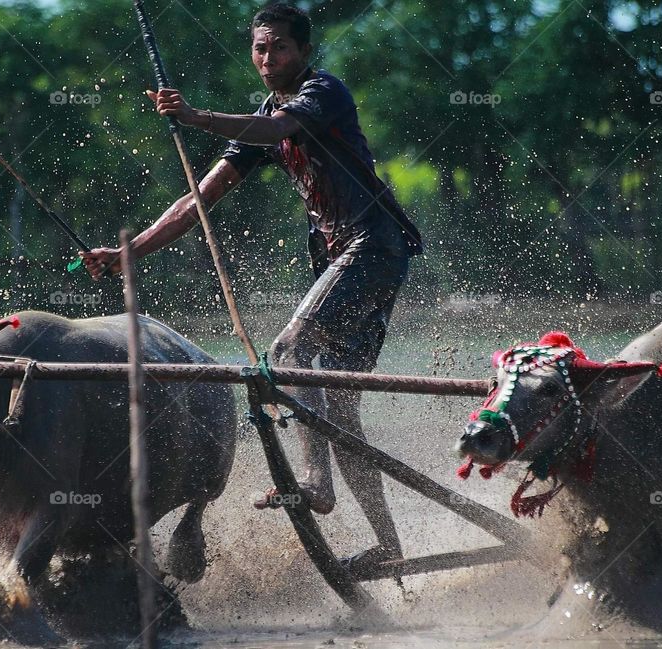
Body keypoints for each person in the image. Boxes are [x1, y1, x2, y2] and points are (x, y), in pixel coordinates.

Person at [81, 2, 421, 567]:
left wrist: (196, 117)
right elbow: (197, 199)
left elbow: (281, 127)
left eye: (279, 47)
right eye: (260, 48)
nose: (268, 58)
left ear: (303, 52)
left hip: (374, 248)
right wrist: (129, 253)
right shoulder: (261, 117)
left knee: (288, 349)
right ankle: (388, 543)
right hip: (341, 257)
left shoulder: (322, 93)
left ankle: (316, 483)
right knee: (340, 405)